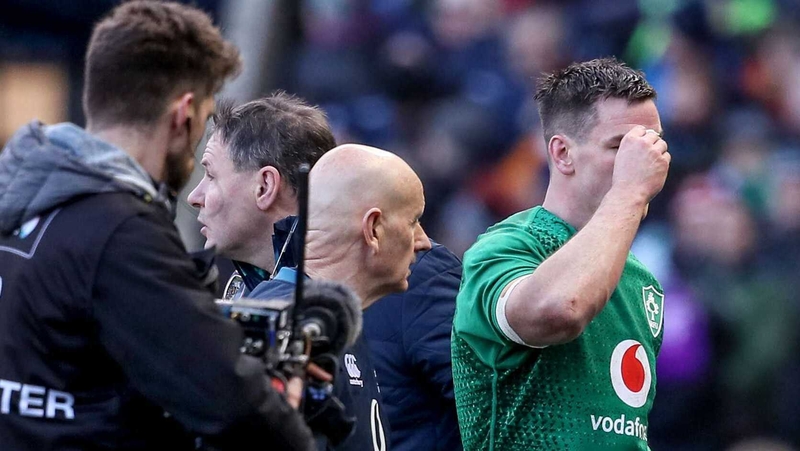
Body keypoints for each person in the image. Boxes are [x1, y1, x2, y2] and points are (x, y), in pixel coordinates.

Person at [0, 2, 315, 450]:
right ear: (183, 114)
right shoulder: (121, 231)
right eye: (205, 122)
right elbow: (233, 406)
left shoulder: (24, 204)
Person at [451, 57, 671, 450]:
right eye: (620, 147)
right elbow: (558, 310)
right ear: (563, 153)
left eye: (652, 145)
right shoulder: (507, 246)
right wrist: (628, 192)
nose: (645, 164)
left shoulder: (642, 279)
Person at [248, 144, 433, 451]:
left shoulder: (330, 322)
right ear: (372, 229)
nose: (423, 241)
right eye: (413, 221)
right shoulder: (286, 330)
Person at [187, 93, 336, 291]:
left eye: (211, 176)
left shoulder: (334, 308)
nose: (194, 198)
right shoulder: (251, 288)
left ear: (265, 187)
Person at [362, 243, 464, 451]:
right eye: (412, 221)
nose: (423, 238)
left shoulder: (419, 271)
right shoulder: (288, 279)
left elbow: (487, 404)